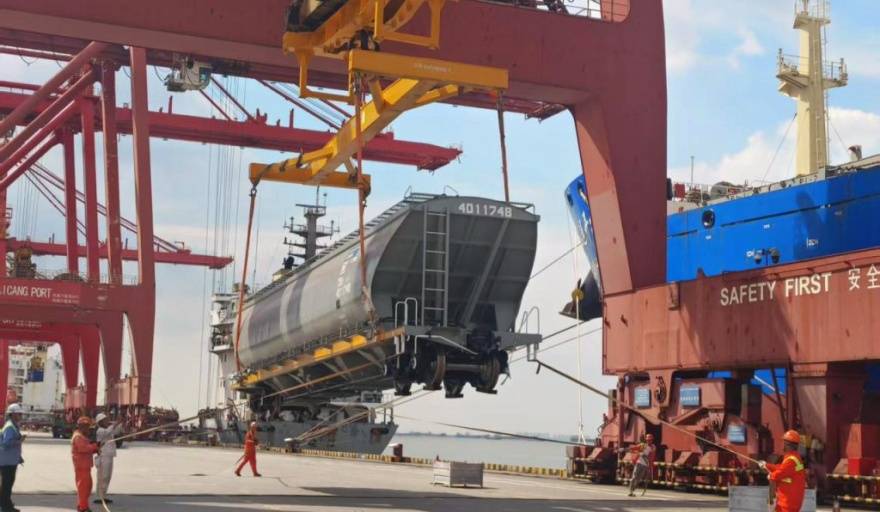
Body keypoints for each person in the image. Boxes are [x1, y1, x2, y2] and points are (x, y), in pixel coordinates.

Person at [760, 430, 806, 512]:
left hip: (787, 504)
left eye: (784, 442)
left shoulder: (790, 460)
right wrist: (767, 465)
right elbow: (782, 468)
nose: (782, 444)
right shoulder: (794, 458)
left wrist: (771, 502)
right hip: (790, 502)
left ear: (787, 444)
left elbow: (774, 477)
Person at [93, 413, 124, 505]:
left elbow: (117, 431)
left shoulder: (108, 429)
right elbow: (107, 432)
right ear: (101, 422)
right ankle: (99, 496)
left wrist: (120, 423)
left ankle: (103, 496)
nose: (107, 421)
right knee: (103, 476)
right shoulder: (100, 430)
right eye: (105, 420)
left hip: (109, 455)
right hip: (103, 456)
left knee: (107, 476)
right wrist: (116, 423)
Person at [71, 416, 100, 512]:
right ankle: (83, 508)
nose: (87, 428)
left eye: (88, 426)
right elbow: (83, 449)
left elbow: (86, 449)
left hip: (85, 466)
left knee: (87, 487)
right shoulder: (78, 437)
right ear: (80, 426)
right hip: (81, 466)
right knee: (83, 488)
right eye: (85, 426)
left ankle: (82, 505)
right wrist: (95, 446)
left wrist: (95, 449)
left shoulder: (82, 436)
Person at [0, 403, 24, 512]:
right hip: (7, 462)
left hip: (10, 460)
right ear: (13, 414)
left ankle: (6, 504)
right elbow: (6, 443)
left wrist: (18, 457)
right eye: (19, 414)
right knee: (7, 485)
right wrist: (19, 440)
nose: (20, 416)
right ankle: (5, 506)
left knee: (7, 484)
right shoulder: (10, 427)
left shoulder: (13, 425)